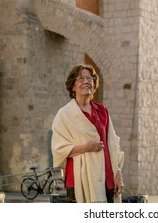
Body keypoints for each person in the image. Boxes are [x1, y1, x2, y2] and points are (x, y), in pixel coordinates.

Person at [51, 64, 124, 203]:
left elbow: (114, 146)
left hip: (108, 178)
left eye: (89, 78)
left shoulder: (102, 111)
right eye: (80, 78)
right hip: (79, 179)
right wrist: (87, 147)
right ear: (73, 86)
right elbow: (59, 150)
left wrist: (118, 173)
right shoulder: (64, 114)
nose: (86, 81)